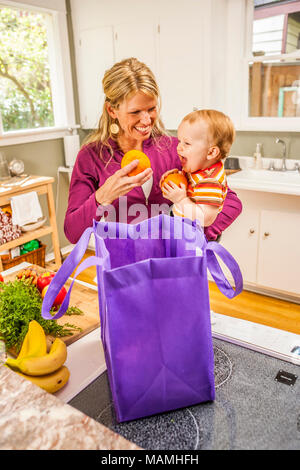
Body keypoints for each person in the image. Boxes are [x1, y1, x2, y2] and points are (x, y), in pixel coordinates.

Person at [64, 57, 242, 244]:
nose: (147, 120)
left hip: (173, 264)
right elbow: (73, 232)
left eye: (151, 109)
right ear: (112, 110)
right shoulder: (91, 157)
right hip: (122, 265)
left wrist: (195, 235)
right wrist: (103, 195)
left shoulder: (177, 149)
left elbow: (231, 202)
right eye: (135, 112)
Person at [160, 109, 234, 228]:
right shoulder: (199, 168)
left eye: (187, 143)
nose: (179, 148)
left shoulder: (210, 181)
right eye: (179, 141)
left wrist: (181, 199)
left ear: (211, 152)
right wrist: (178, 176)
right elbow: (193, 188)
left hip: (195, 237)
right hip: (182, 228)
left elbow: (205, 219)